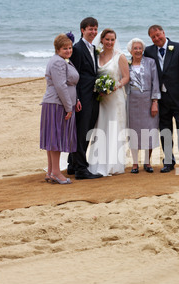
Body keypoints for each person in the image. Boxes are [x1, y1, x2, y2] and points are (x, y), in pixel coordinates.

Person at [144, 25, 179, 175]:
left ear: (163, 33)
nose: (156, 38)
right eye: (153, 37)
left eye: (158, 35)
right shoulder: (149, 51)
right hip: (161, 99)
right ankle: (168, 162)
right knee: (165, 132)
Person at [87, 28, 130, 176]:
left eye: (112, 40)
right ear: (102, 40)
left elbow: (125, 77)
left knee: (113, 129)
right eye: (107, 40)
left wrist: (113, 87)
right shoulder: (97, 56)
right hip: (101, 99)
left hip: (115, 98)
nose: (110, 42)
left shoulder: (120, 57)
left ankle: (112, 165)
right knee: (101, 129)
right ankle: (96, 163)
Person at [40, 33, 80, 185]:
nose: (68, 51)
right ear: (57, 49)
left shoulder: (62, 60)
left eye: (70, 48)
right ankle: (56, 172)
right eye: (65, 48)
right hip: (57, 104)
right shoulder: (58, 62)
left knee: (52, 138)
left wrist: (75, 100)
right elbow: (61, 86)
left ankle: (51, 171)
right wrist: (69, 106)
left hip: (57, 103)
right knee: (56, 138)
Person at [68, 17, 103, 180]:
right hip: (82, 97)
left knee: (87, 130)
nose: (93, 32)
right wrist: (76, 99)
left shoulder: (93, 48)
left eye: (95, 29)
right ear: (82, 30)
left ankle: (72, 165)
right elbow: (73, 76)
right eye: (90, 29)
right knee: (82, 132)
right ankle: (81, 169)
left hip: (93, 95)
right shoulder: (77, 48)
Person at [126, 38, 161, 174]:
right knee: (134, 132)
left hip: (147, 101)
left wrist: (155, 102)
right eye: (135, 48)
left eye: (140, 48)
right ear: (130, 50)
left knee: (149, 131)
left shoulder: (150, 62)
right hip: (132, 101)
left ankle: (147, 162)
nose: (138, 51)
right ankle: (135, 164)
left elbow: (155, 82)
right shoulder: (127, 64)